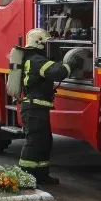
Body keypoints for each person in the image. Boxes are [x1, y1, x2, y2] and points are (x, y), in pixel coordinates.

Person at [16, 28, 73, 186]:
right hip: (34, 109)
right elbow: (58, 72)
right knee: (34, 142)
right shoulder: (36, 60)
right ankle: (24, 177)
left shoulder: (31, 59)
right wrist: (71, 64)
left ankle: (41, 175)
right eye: (46, 43)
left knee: (45, 141)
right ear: (39, 43)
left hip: (37, 109)